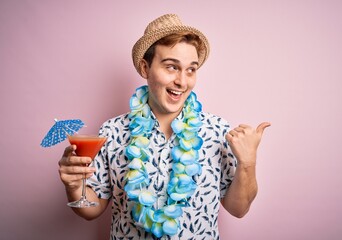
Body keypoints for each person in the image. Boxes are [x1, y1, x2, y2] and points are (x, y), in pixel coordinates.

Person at [58, 13, 270, 239]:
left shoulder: (217, 131)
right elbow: (91, 210)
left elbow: (239, 209)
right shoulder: (112, 131)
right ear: (144, 68)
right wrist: (73, 185)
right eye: (171, 67)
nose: (182, 81)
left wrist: (248, 162)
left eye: (191, 69)